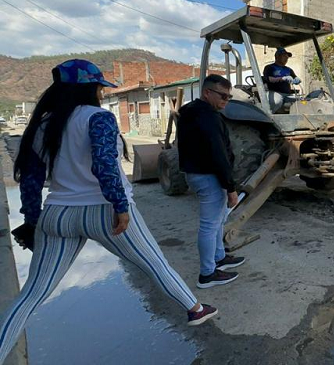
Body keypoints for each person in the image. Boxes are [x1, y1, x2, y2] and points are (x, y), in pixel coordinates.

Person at [0, 60, 217, 363]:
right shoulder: (98, 118)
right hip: (105, 212)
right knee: (155, 264)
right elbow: (104, 165)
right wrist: (120, 206)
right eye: (100, 87)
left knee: (30, 297)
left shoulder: (41, 124)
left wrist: (33, 221)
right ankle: (194, 309)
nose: (102, 93)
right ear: (90, 88)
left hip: (58, 214)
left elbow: (31, 180)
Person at [177, 74, 245, 289]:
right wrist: (230, 187)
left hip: (199, 173)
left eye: (229, 97)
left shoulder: (191, 112)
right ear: (207, 92)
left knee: (216, 221)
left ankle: (219, 257)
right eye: (222, 96)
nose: (226, 100)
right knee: (209, 225)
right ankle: (207, 274)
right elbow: (218, 155)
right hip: (208, 176)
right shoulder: (208, 117)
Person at [262, 47, 301, 112]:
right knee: (277, 101)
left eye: (287, 57)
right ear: (277, 56)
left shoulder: (289, 69)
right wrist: (282, 78)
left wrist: (297, 80)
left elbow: (295, 78)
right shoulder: (269, 67)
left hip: (287, 94)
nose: (286, 58)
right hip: (274, 93)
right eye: (284, 56)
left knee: (300, 103)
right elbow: (267, 79)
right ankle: (268, 116)